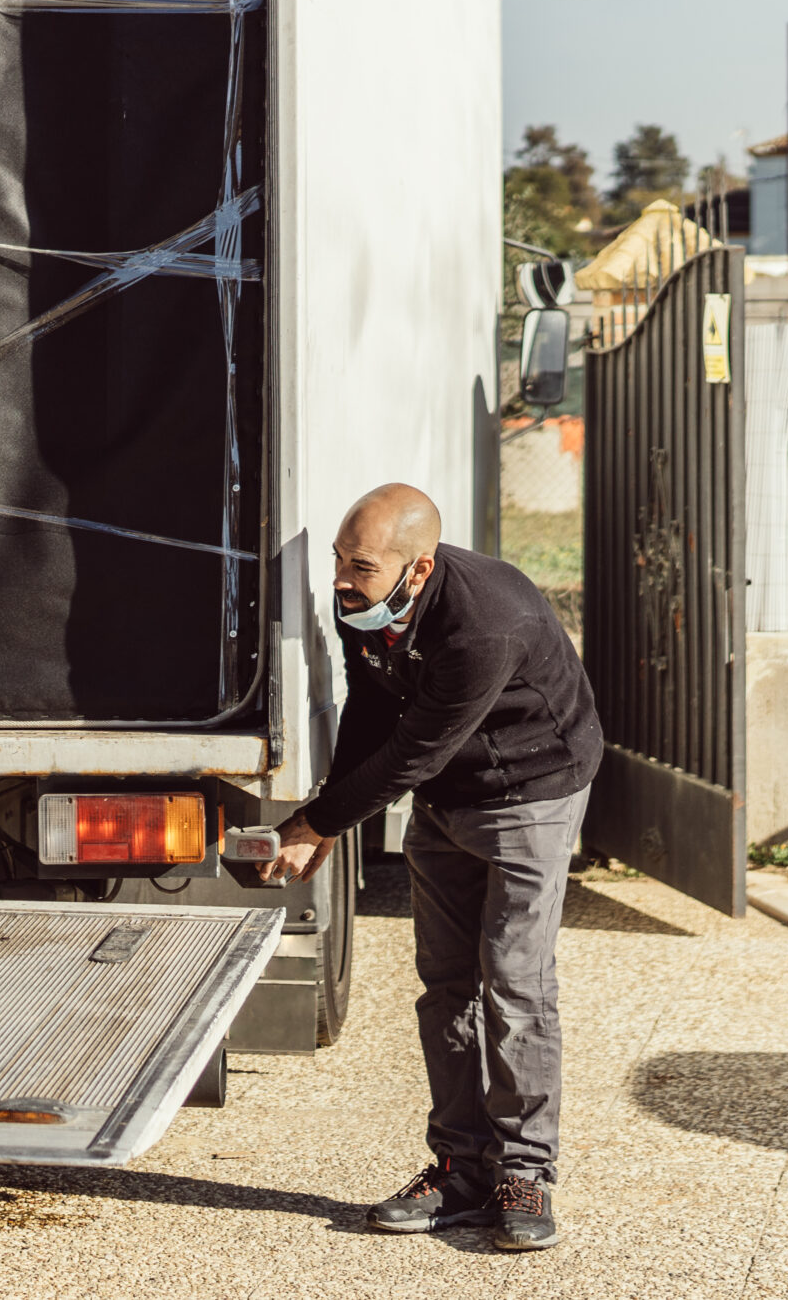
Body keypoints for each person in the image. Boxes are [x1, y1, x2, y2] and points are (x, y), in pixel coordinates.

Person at [262, 482, 602, 1253]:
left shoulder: (485, 622)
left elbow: (416, 750)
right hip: (447, 797)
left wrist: (314, 823)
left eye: (363, 566)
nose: (344, 579)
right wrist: (327, 810)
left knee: (514, 979)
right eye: (341, 561)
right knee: (445, 982)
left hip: (531, 790)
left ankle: (524, 1172)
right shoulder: (363, 607)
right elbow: (371, 711)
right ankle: (460, 1167)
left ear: (417, 571)